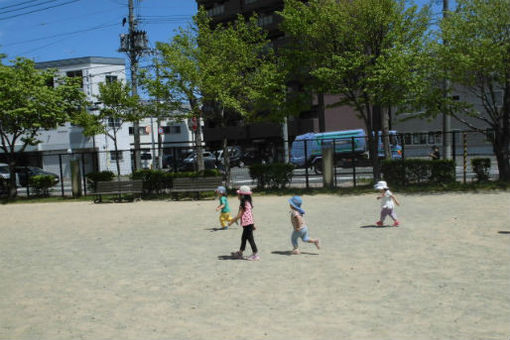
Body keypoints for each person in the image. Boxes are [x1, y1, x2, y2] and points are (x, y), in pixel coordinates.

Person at [228, 185, 259, 261]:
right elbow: (250, 214)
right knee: (244, 238)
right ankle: (240, 253)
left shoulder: (243, 203)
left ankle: (255, 254)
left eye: (238, 194)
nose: (237, 195)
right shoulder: (248, 202)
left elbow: (239, 215)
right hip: (248, 224)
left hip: (248, 224)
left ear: (243, 195)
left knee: (250, 239)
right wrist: (253, 224)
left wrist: (231, 221)